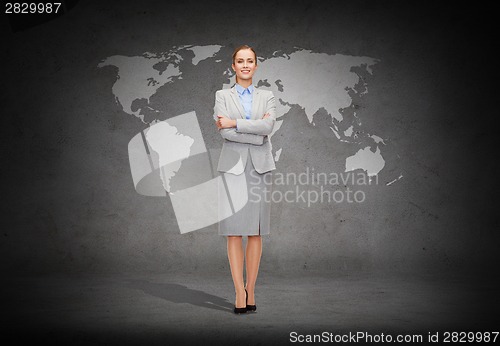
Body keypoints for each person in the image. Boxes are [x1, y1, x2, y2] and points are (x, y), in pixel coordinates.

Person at [213, 45, 277, 314]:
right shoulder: (222, 95)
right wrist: (256, 129)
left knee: (255, 231)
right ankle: (239, 290)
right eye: (240, 61)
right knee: (233, 231)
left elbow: (269, 127)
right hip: (233, 168)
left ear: (256, 65)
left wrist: (235, 123)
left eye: (250, 61)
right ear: (233, 66)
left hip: (260, 168)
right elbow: (224, 133)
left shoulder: (268, 95)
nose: (245, 65)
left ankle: (252, 288)